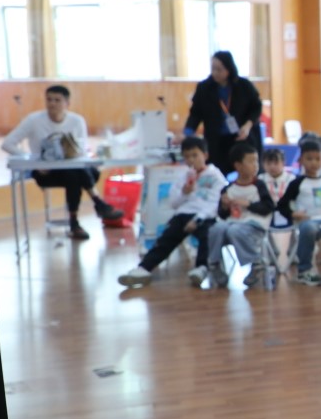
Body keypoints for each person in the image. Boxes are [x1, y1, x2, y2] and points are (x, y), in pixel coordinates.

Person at [0, 84, 124, 239]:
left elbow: (82, 150)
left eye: (57, 100)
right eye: (49, 99)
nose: (52, 103)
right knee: (75, 175)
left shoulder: (77, 121)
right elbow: (7, 143)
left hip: (75, 170)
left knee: (74, 173)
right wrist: (34, 163)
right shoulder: (33, 120)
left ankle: (75, 222)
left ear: (67, 103)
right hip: (46, 173)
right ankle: (97, 204)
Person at [117, 136, 221, 287]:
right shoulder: (184, 177)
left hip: (205, 217)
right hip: (183, 215)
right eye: (187, 157)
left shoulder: (215, 176)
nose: (191, 160)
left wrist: (198, 219)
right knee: (167, 238)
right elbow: (173, 203)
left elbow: (214, 203)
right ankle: (144, 268)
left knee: (207, 235)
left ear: (205, 155)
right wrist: (184, 192)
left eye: (195, 155)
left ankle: (202, 268)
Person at [202, 143, 276, 289]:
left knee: (234, 230)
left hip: (254, 225)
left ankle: (256, 263)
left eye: (256, 161)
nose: (255, 165)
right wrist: (224, 206)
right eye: (251, 161)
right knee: (216, 228)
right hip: (233, 223)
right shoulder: (229, 188)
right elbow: (222, 215)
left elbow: (268, 207)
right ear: (238, 166)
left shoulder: (259, 185)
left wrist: (248, 204)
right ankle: (214, 264)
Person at [277, 139, 321, 285]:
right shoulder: (297, 183)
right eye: (309, 159)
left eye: (317, 159)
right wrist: (293, 214)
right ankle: (304, 270)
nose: (314, 163)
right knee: (308, 228)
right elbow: (281, 205)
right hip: (310, 222)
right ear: (301, 160)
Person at [183, 49, 263, 170]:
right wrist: (188, 132)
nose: (215, 73)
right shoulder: (204, 88)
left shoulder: (244, 85)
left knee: (245, 168)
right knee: (218, 171)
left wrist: (248, 125)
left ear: (229, 69)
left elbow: (256, 107)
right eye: (213, 69)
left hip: (241, 138)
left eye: (219, 69)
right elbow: (195, 113)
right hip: (216, 140)